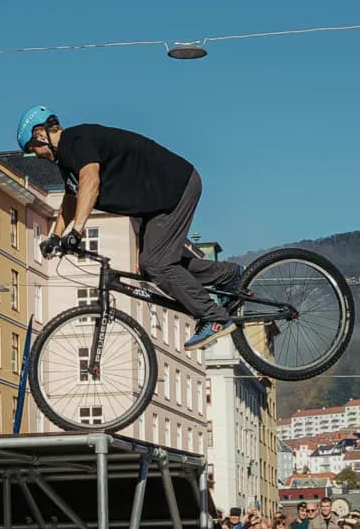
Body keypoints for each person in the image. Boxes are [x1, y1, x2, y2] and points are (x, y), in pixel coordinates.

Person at [19, 107, 244, 349]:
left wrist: (77, 231)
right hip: (156, 202)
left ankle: (214, 317)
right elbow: (72, 199)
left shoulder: (76, 140)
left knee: (156, 264)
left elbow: (90, 181)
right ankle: (227, 275)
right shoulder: (67, 161)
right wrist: (55, 236)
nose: (39, 156)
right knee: (150, 266)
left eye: (34, 150)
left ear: (40, 134)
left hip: (175, 187)